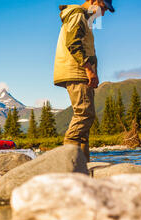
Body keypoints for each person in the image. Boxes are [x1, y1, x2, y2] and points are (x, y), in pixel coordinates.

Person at [53, 0, 115, 161]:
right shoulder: (78, 14)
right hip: (77, 71)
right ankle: (69, 161)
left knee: (86, 118)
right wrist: (88, 69)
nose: (104, 12)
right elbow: (73, 43)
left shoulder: (83, 17)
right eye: (103, 7)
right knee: (84, 114)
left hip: (78, 71)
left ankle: (82, 165)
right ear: (94, 1)